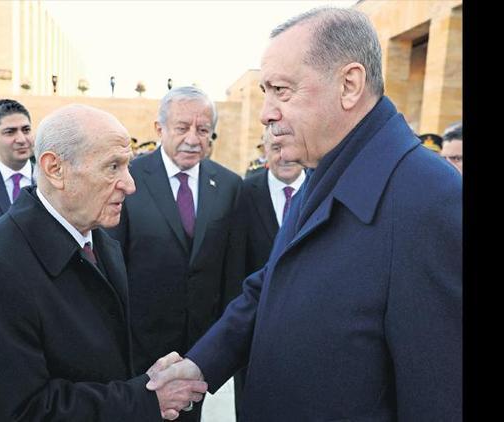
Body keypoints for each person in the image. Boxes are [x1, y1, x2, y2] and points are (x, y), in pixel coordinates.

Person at [147, 7, 462, 421]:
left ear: (349, 85)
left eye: (282, 90)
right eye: (265, 91)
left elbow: (438, 396)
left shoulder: (429, 198)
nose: (266, 113)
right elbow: (272, 283)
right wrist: (202, 365)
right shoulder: (324, 168)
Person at [0, 103, 208, 421]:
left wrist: (147, 382)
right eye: (112, 167)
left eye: (127, 166)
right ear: (55, 169)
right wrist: (143, 399)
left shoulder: (102, 242)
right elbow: (21, 410)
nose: (130, 185)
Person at [106, 86, 244, 421]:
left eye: (203, 129)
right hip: (139, 347)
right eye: (182, 128)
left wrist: (219, 345)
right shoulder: (129, 179)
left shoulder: (229, 185)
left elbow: (232, 272)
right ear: (160, 128)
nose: (193, 139)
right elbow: (112, 263)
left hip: (198, 350)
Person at [232, 127, 305, 419]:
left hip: (309, 329)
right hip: (254, 330)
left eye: (290, 148)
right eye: (276, 149)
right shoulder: (243, 193)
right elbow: (235, 264)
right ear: (264, 151)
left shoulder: (323, 190)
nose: (284, 157)